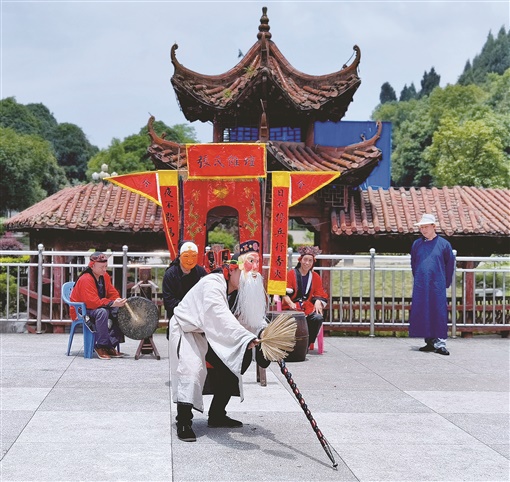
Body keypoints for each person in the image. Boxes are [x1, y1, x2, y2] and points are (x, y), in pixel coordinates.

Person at [169, 261, 261, 443]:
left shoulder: (238, 292)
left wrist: (260, 333)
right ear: (232, 270)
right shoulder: (212, 283)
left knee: (235, 361)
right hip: (187, 330)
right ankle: (184, 422)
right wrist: (244, 337)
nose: (246, 280)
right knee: (191, 370)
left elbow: (248, 318)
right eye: (243, 274)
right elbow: (219, 314)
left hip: (210, 334)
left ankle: (217, 414)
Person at [409, 213, 455, 356]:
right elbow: (414, 263)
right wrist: (418, 278)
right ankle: (429, 341)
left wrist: (445, 282)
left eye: (426, 227)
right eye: (421, 227)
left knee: (438, 311)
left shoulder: (444, 244)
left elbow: (449, 264)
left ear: (434, 227)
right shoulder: (417, 244)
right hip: (421, 283)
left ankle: (440, 343)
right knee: (424, 310)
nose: (423, 230)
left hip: (437, 283)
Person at [70, 251, 127, 360]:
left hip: (97, 305)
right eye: (102, 267)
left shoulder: (105, 276)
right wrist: (111, 303)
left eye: (106, 266)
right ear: (92, 266)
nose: (104, 270)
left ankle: (110, 345)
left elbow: (112, 292)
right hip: (82, 309)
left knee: (120, 311)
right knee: (102, 312)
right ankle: (101, 346)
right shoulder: (85, 279)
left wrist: (117, 300)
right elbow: (91, 302)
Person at [282, 245, 328, 345]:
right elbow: (283, 293)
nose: (307, 263)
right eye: (305, 260)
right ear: (300, 260)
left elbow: (319, 292)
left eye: (310, 261)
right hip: (292, 307)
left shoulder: (315, 276)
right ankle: (296, 343)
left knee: (318, 318)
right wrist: (290, 303)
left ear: (313, 263)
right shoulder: (291, 274)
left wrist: (318, 301)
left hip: (308, 307)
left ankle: (307, 342)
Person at [162, 241, 207, 340]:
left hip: (198, 320)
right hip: (177, 317)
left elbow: (206, 295)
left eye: (193, 256)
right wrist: (187, 308)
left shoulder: (201, 273)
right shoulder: (170, 274)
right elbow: (168, 301)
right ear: (179, 256)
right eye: (186, 256)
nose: (190, 260)